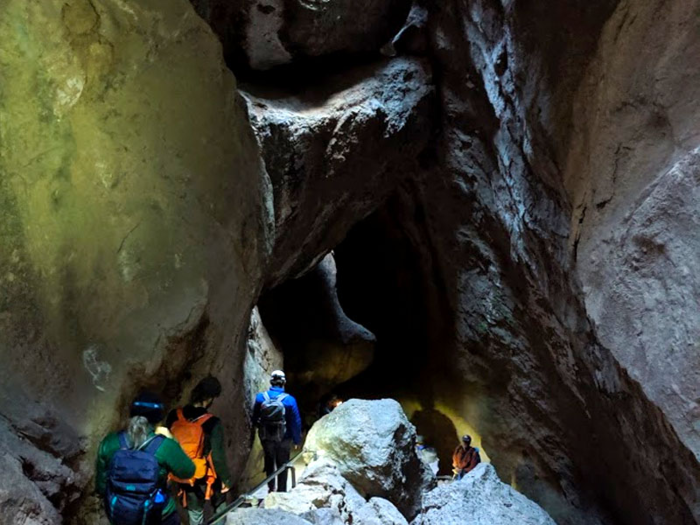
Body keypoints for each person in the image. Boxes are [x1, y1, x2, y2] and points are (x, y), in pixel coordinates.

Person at [96, 392, 195, 525]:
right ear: (158, 420)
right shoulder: (165, 446)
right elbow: (188, 471)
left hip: (120, 513)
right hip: (157, 514)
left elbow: (101, 486)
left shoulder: (110, 442)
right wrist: (172, 439)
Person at [166, 376, 232, 525]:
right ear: (209, 399)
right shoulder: (213, 422)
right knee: (220, 507)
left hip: (185, 474)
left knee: (195, 513)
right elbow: (217, 457)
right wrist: (226, 479)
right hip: (206, 474)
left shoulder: (174, 416)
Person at [252, 370, 302, 492]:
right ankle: (281, 491)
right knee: (282, 464)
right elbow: (295, 421)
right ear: (283, 382)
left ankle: (271, 487)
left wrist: (260, 428)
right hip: (284, 438)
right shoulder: (290, 400)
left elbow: (254, 417)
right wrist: (297, 440)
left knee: (269, 462)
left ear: (271, 382)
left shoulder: (260, 397)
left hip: (266, 437)